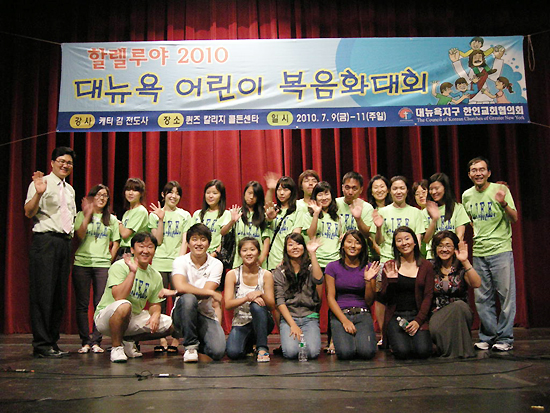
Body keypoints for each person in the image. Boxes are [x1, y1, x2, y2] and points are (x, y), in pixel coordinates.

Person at [24, 146, 77, 358]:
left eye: (69, 163)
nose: (65, 165)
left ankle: (52, 342)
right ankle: (41, 344)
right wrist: (38, 193)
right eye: (61, 161)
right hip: (45, 242)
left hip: (64, 243)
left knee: (58, 295)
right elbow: (29, 212)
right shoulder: (41, 183)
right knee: (43, 294)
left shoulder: (70, 190)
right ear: (53, 163)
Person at [462, 156, 518, 352]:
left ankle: (505, 338)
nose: (478, 173)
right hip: (479, 251)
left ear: (488, 173)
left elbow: (514, 218)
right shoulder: (466, 195)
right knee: (482, 297)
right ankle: (488, 336)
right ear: (469, 174)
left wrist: (503, 204)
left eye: (482, 169)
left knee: (506, 297)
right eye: (474, 170)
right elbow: (470, 220)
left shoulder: (500, 190)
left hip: (501, 250)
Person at [93, 232, 174, 363]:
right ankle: (116, 347)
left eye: (150, 247)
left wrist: (155, 315)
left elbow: (155, 303)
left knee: (170, 324)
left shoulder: (155, 275)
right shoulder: (120, 266)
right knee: (124, 305)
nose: (145, 251)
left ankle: (128, 340)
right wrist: (132, 272)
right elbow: (119, 296)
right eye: (141, 246)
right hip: (107, 317)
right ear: (132, 249)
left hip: (132, 318)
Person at [73, 184, 120, 354]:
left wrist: (109, 259)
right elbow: (79, 235)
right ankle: (85, 341)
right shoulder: (81, 215)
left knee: (100, 304)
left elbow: (116, 242)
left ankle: (96, 341)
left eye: (105, 195)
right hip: (82, 263)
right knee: (82, 304)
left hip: (102, 265)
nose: (102, 198)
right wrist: (87, 214)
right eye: (98, 195)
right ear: (91, 197)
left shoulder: (111, 219)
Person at [169, 224, 226, 362]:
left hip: (205, 314)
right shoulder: (180, 261)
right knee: (189, 299)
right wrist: (210, 293)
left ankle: (199, 346)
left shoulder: (216, 264)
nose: (199, 243)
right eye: (194, 239)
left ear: (209, 244)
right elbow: (180, 287)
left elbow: (205, 293)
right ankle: (191, 347)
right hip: (182, 312)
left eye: (203, 239)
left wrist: (208, 292)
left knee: (218, 352)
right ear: (188, 243)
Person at [148, 181, 192, 354]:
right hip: (159, 262)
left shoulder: (184, 215)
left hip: (177, 263)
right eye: (170, 192)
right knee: (159, 300)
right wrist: (160, 219)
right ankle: (161, 339)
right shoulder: (154, 215)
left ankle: (175, 339)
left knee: (178, 301)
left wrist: (179, 261)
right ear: (163, 195)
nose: (174, 196)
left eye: (177, 193)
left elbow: (185, 240)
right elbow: (157, 240)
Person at [378, 226, 434, 359]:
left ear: (414, 242)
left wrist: (418, 321)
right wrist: (391, 281)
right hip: (396, 316)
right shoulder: (390, 265)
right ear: (395, 245)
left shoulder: (426, 266)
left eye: (407, 239)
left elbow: (428, 296)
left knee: (423, 351)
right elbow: (385, 299)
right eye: (399, 240)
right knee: (403, 352)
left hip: (417, 315)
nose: (404, 243)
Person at [325, 230, 379, 360]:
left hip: (362, 313)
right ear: (343, 245)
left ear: (362, 247)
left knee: (367, 353)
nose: (353, 246)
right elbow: (330, 298)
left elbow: (369, 301)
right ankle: (335, 339)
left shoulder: (369, 268)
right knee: (345, 353)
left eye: (357, 243)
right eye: (349, 242)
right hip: (341, 313)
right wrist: (344, 321)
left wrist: (368, 281)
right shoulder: (332, 267)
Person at [429, 231, 481, 358]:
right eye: (440, 246)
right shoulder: (429, 267)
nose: (444, 249)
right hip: (437, 314)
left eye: (448, 246)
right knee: (457, 307)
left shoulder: (461, 268)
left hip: (461, 314)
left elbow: (477, 283)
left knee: (459, 306)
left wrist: (465, 261)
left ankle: (458, 351)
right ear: (435, 248)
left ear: (454, 249)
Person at [273, 233, 324, 359]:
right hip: (290, 318)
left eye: (298, 244)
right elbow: (280, 301)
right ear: (286, 249)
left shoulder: (311, 267)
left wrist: (312, 254)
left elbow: (319, 280)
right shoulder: (279, 271)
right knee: (290, 353)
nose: (295, 247)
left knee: (312, 353)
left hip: (309, 317)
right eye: (290, 245)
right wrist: (293, 325)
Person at [225, 237, 275, 362]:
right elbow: (228, 304)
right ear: (240, 253)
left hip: (262, 321)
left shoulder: (266, 275)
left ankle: (262, 348)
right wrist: (247, 298)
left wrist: (260, 294)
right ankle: (249, 345)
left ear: (258, 252)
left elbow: (271, 305)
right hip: (241, 322)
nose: (249, 253)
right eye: (244, 250)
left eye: (252, 250)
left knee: (256, 305)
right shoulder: (232, 274)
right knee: (233, 353)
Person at [373, 176, 425, 263]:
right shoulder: (382, 212)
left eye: (402, 188)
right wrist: (378, 228)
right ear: (390, 191)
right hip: (388, 259)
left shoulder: (416, 212)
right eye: (395, 189)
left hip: (410, 260)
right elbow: (378, 242)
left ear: (407, 190)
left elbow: (418, 240)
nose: (398, 192)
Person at [223, 181, 271, 269]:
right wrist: (232, 221)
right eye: (249, 193)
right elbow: (223, 232)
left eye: (255, 195)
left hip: (258, 262)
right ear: (244, 193)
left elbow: (266, 240)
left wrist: (261, 260)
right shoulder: (236, 212)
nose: (251, 197)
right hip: (239, 262)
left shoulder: (263, 215)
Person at [423, 172, 470, 259]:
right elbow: (426, 239)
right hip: (433, 257)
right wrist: (434, 219)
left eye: (437, 188)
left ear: (445, 188)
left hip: (452, 255)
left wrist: (449, 250)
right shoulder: (425, 211)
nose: (433, 192)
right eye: (431, 189)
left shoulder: (457, 208)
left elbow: (460, 236)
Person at [299, 181, 342, 268]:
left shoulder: (338, 218)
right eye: (320, 195)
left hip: (335, 260)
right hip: (317, 260)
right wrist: (316, 214)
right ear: (315, 197)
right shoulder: (309, 216)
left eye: (326, 194)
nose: (324, 198)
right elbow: (311, 235)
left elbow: (340, 237)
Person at [264, 174, 302, 270]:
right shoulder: (275, 210)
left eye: (285, 190)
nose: (281, 193)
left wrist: (286, 259)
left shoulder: (297, 210)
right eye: (279, 190)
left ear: (292, 192)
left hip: (289, 260)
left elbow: (296, 235)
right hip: (273, 261)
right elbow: (267, 205)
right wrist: (271, 190)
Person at [193, 179, 232, 258]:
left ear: (221, 196)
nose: (210, 196)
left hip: (217, 257)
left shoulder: (226, 214)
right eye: (208, 193)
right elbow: (192, 237)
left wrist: (213, 255)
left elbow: (225, 239)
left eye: (214, 193)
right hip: (198, 256)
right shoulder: (197, 214)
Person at [336, 171, 374, 237]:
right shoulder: (335, 203)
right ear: (342, 188)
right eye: (347, 188)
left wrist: (358, 219)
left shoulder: (367, 208)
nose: (350, 192)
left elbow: (368, 235)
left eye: (354, 188)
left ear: (361, 190)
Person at [118, 178, 149, 257]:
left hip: (132, 251)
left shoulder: (141, 211)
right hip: (123, 250)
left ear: (141, 193)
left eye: (135, 190)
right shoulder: (127, 213)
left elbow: (125, 234)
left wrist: (118, 223)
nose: (130, 193)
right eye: (128, 190)